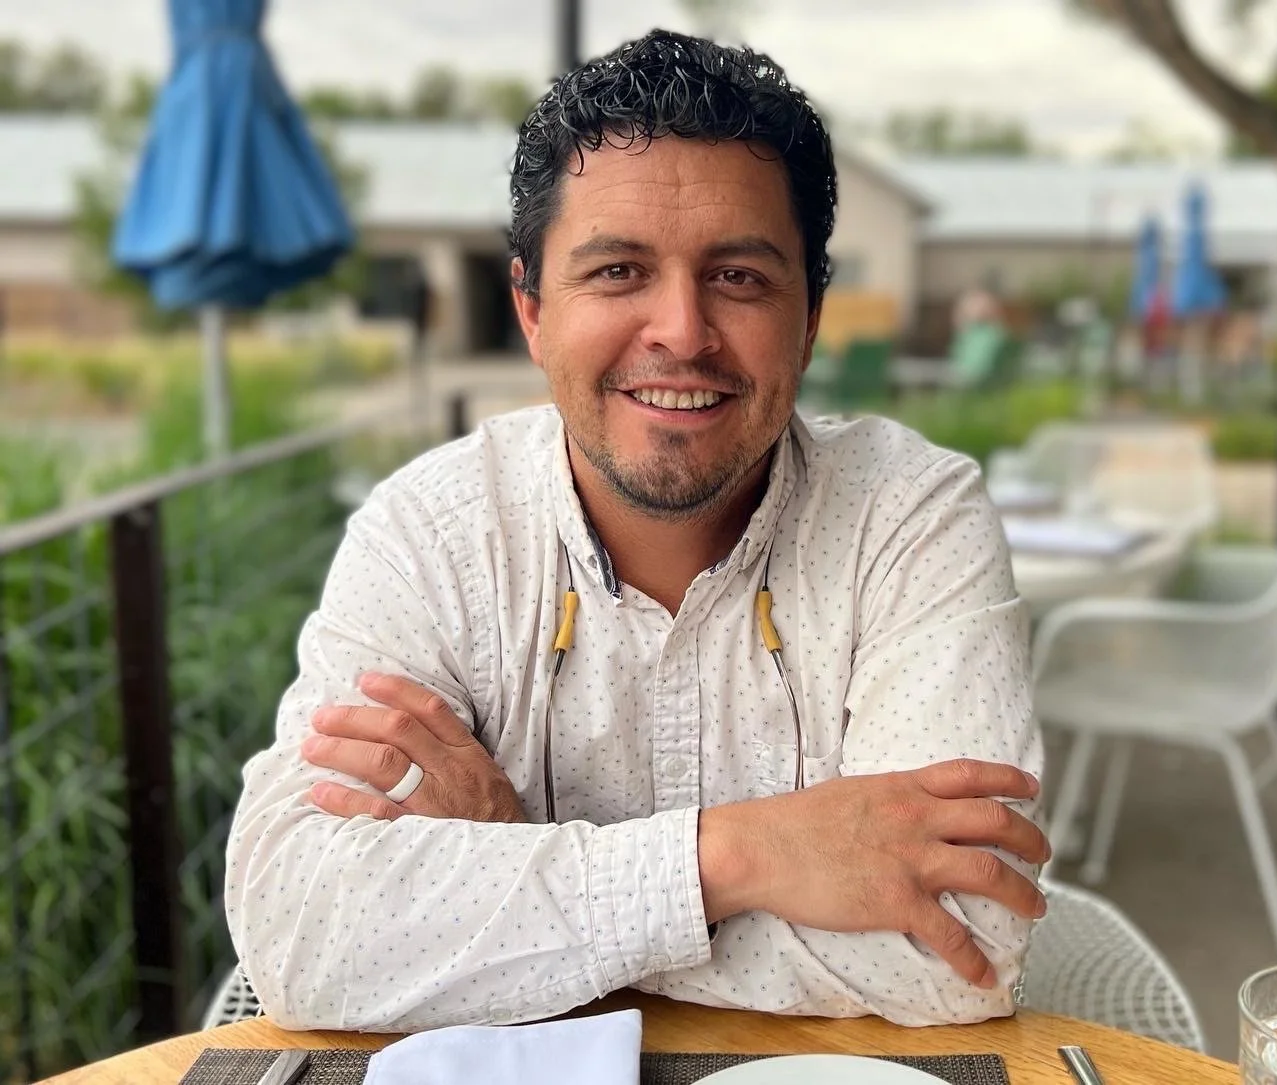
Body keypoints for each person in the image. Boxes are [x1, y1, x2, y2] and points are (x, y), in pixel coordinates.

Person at [226, 29, 1046, 1033]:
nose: (683, 331)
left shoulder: (909, 515)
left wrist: (509, 883)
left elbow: (964, 945)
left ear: (810, 318)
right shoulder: (429, 534)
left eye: (739, 277)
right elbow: (301, 929)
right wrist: (740, 855)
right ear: (532, 311)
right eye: (618, 271)